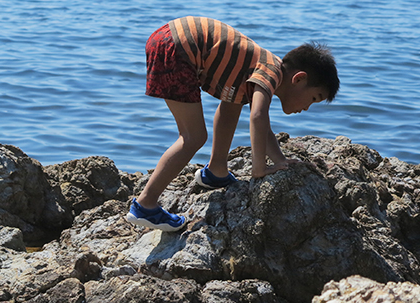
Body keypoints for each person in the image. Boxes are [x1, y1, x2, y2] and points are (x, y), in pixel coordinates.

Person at [125, 16, 339, 231]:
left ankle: (216, 171)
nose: (307, 108)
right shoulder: (271, 71)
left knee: (233, 103)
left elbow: (238, 116)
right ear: (299, 79)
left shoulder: (257, 67)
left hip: (169, 38)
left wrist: (279, 160)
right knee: (193, 137)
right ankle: (145, 205)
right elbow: (258, 116)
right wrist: (259, 168)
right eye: (313, 98)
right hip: (177, 49)